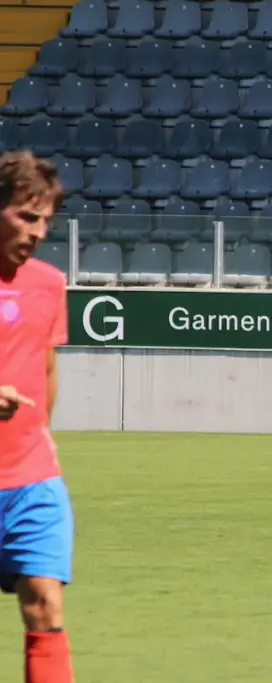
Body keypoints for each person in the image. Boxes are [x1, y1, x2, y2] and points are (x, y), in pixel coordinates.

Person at [0, 151, 75, 681]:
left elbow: (46, 371)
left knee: (46, 604)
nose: (40, 231)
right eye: (27, 217)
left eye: (47, 219)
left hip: (32, 478)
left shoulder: (49, 283)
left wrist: (37, 438)